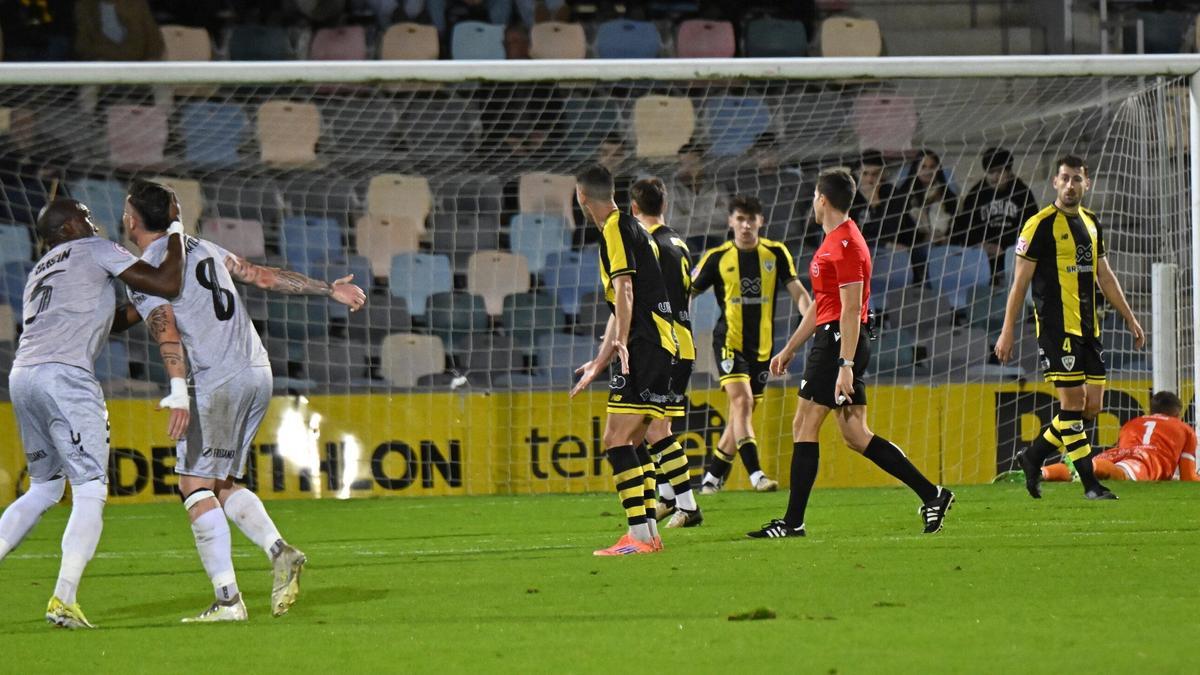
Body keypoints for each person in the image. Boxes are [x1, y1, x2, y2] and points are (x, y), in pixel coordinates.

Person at [119, 180, 366, 621]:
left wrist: (178, 392)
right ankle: (280, 552)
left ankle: (228, 600)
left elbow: (167, 332)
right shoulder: (206, 248)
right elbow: (263, 276)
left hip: (218, 379)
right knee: (221, 482)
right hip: (257, 370)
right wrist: (329, 289)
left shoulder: (147, 269)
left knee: (192, 486)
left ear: (132, 220)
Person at [0, 198, 185, 628]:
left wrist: (140, 310)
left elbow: (104, 319)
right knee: (90, 490)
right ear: (66, 228)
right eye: (83, 216)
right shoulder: (94, 250)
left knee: (44, 489)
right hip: (66, 378)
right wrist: (174, 230)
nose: (93, 221)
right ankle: (64, 599)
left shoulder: (40, 269)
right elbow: (167, 281)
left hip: (24, 377)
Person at [751, 168, 954, 539]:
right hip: (837, 338)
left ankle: (793, 522)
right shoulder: (834, 240)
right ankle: (933, 494)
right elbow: (823, 304)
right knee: (855, 434)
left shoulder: (845, 244)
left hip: (838, 343)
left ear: (823, 199)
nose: (812, 202)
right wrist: (790, 348)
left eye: (814, 196)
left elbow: (849, 309)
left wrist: (844, 363)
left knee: (803, 425)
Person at [995, 155, 1146, 500]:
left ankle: (1032, 457)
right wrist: (1008, 331)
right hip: (1056, 328)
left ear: (1086, 184)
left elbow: (1104, 275)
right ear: (1055, 182)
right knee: (1073, 405)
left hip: (1089, 328)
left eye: (1076, 179)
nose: (1070, 185)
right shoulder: (1039, 224)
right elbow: (1019, 284)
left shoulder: (1092, 223)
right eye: (1064, 178)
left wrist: (1130, 317)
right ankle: (1091, 484)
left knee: (1091, 406)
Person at [570, 164, 679, 556]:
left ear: (581, 195)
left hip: (644, 343)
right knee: (633, 440)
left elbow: (625, 291)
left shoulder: (615, 229)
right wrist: (600, 361)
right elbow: (623, 301)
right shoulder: (635, 228)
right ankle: (648, 534)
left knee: (615, 439)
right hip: (660, 342)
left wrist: (621, 343)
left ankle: (638, 535)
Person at [691, 195, 812, 495]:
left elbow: (798, 293)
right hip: (728, 342)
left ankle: (711, 478)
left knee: (740, 414)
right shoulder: (717, 257)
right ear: (731, 221)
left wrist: (810, 317)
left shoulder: (776, 253)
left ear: (761, 221)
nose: (745, 225)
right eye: (740, 219)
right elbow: (687, 292)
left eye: (751, 219)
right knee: (742, 403)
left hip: (762, 348)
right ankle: (756, 474)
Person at [629, 177, 702, 528]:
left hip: (666, 344)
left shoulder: (649, 246)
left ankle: (688, 506)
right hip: (683, 341)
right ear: (664, 205)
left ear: (633, 209)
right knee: (654, 427)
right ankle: (668, 497)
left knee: (655, 430)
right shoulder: (678, 242)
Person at [1041, 392, 1196, 483]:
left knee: (1088, 467)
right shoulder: (1184, 429)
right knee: (1119, 473)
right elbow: (1188, 476)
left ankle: (1040, 472)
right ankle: (1088, 466)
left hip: (1119, 453)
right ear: (1177, 414)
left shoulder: (1133, 423)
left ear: (1151, 409)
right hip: (1147, 459)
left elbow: (1125, 448)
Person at [953, 147, 1036, 278]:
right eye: (990, 172)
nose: (994, 177)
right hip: (982, 254)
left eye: (999, 172)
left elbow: (1031, 227)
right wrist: (982, 244)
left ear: (1009, 172)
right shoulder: (976, 194)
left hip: (1013, 253)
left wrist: (1006, 247)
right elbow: (965, 227)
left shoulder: (1022, 193)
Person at [852, 149, 917, 253]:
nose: (870, 179)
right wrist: (885, 244)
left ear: (883, 174)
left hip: (891, 250)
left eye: (875, 174)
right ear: (857, 174)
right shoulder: (850, 198)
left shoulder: (891, 193)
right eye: (865, 174)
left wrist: (876, 204)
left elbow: (891, 231)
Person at [669, 141, 729, 247]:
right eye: (684, 164)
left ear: (703, 164)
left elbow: (726, 217)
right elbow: (674, 222)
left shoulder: (717, 187)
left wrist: (690, 213)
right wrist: (709, 212)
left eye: (693, 164)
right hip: (686, 239)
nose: (688, 168)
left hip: (716, 238)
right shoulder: (673, 190)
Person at [74, 0, 164, 61]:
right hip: (101, 69)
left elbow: (154, 42)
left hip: (139, 68)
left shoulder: (137, 4)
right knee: (89, 87)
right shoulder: (84, 7)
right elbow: (82, 46)